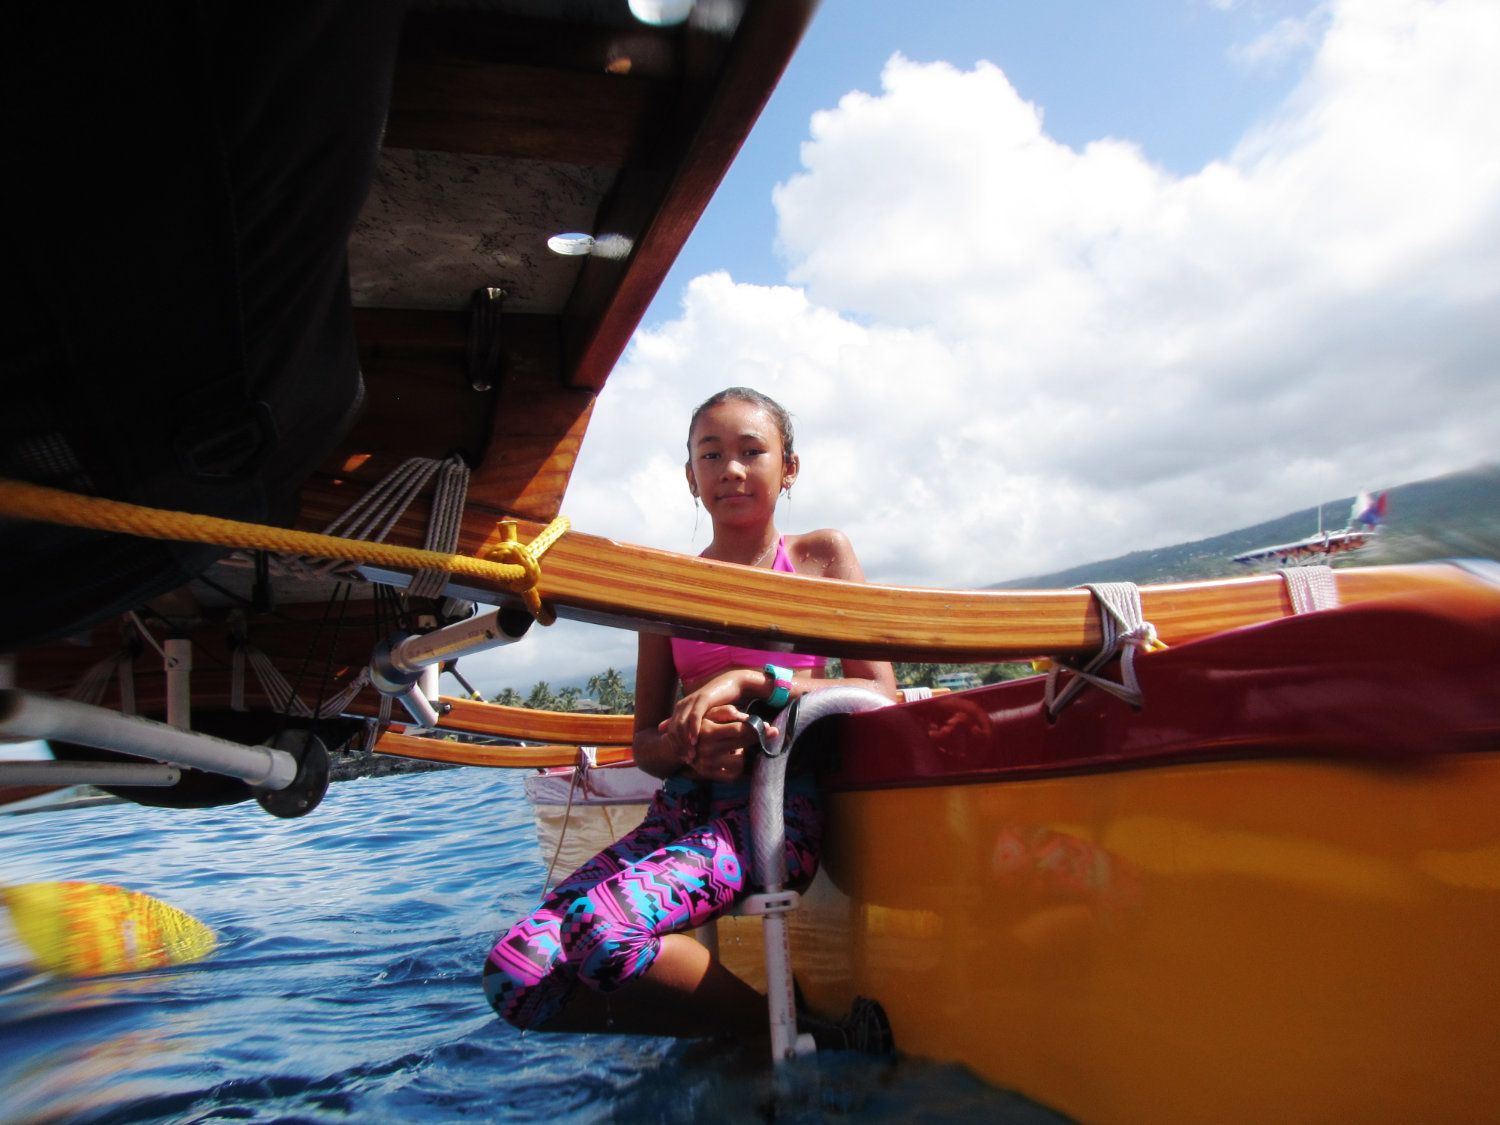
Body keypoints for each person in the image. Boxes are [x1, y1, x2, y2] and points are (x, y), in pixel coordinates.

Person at [482, 386, 897, 1040]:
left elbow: (878, 697)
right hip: (681, 812)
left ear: (789, 468)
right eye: (711, 455)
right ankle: (748, 1028)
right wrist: (685, 744)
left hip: (774, 817)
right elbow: (646, 743)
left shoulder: (821, 557)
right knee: (515, 971)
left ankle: (778, 1035)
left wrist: (751, 681)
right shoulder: (667, 586)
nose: (730, 468)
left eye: (751, 451)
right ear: (690, 476)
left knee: (602, 928)